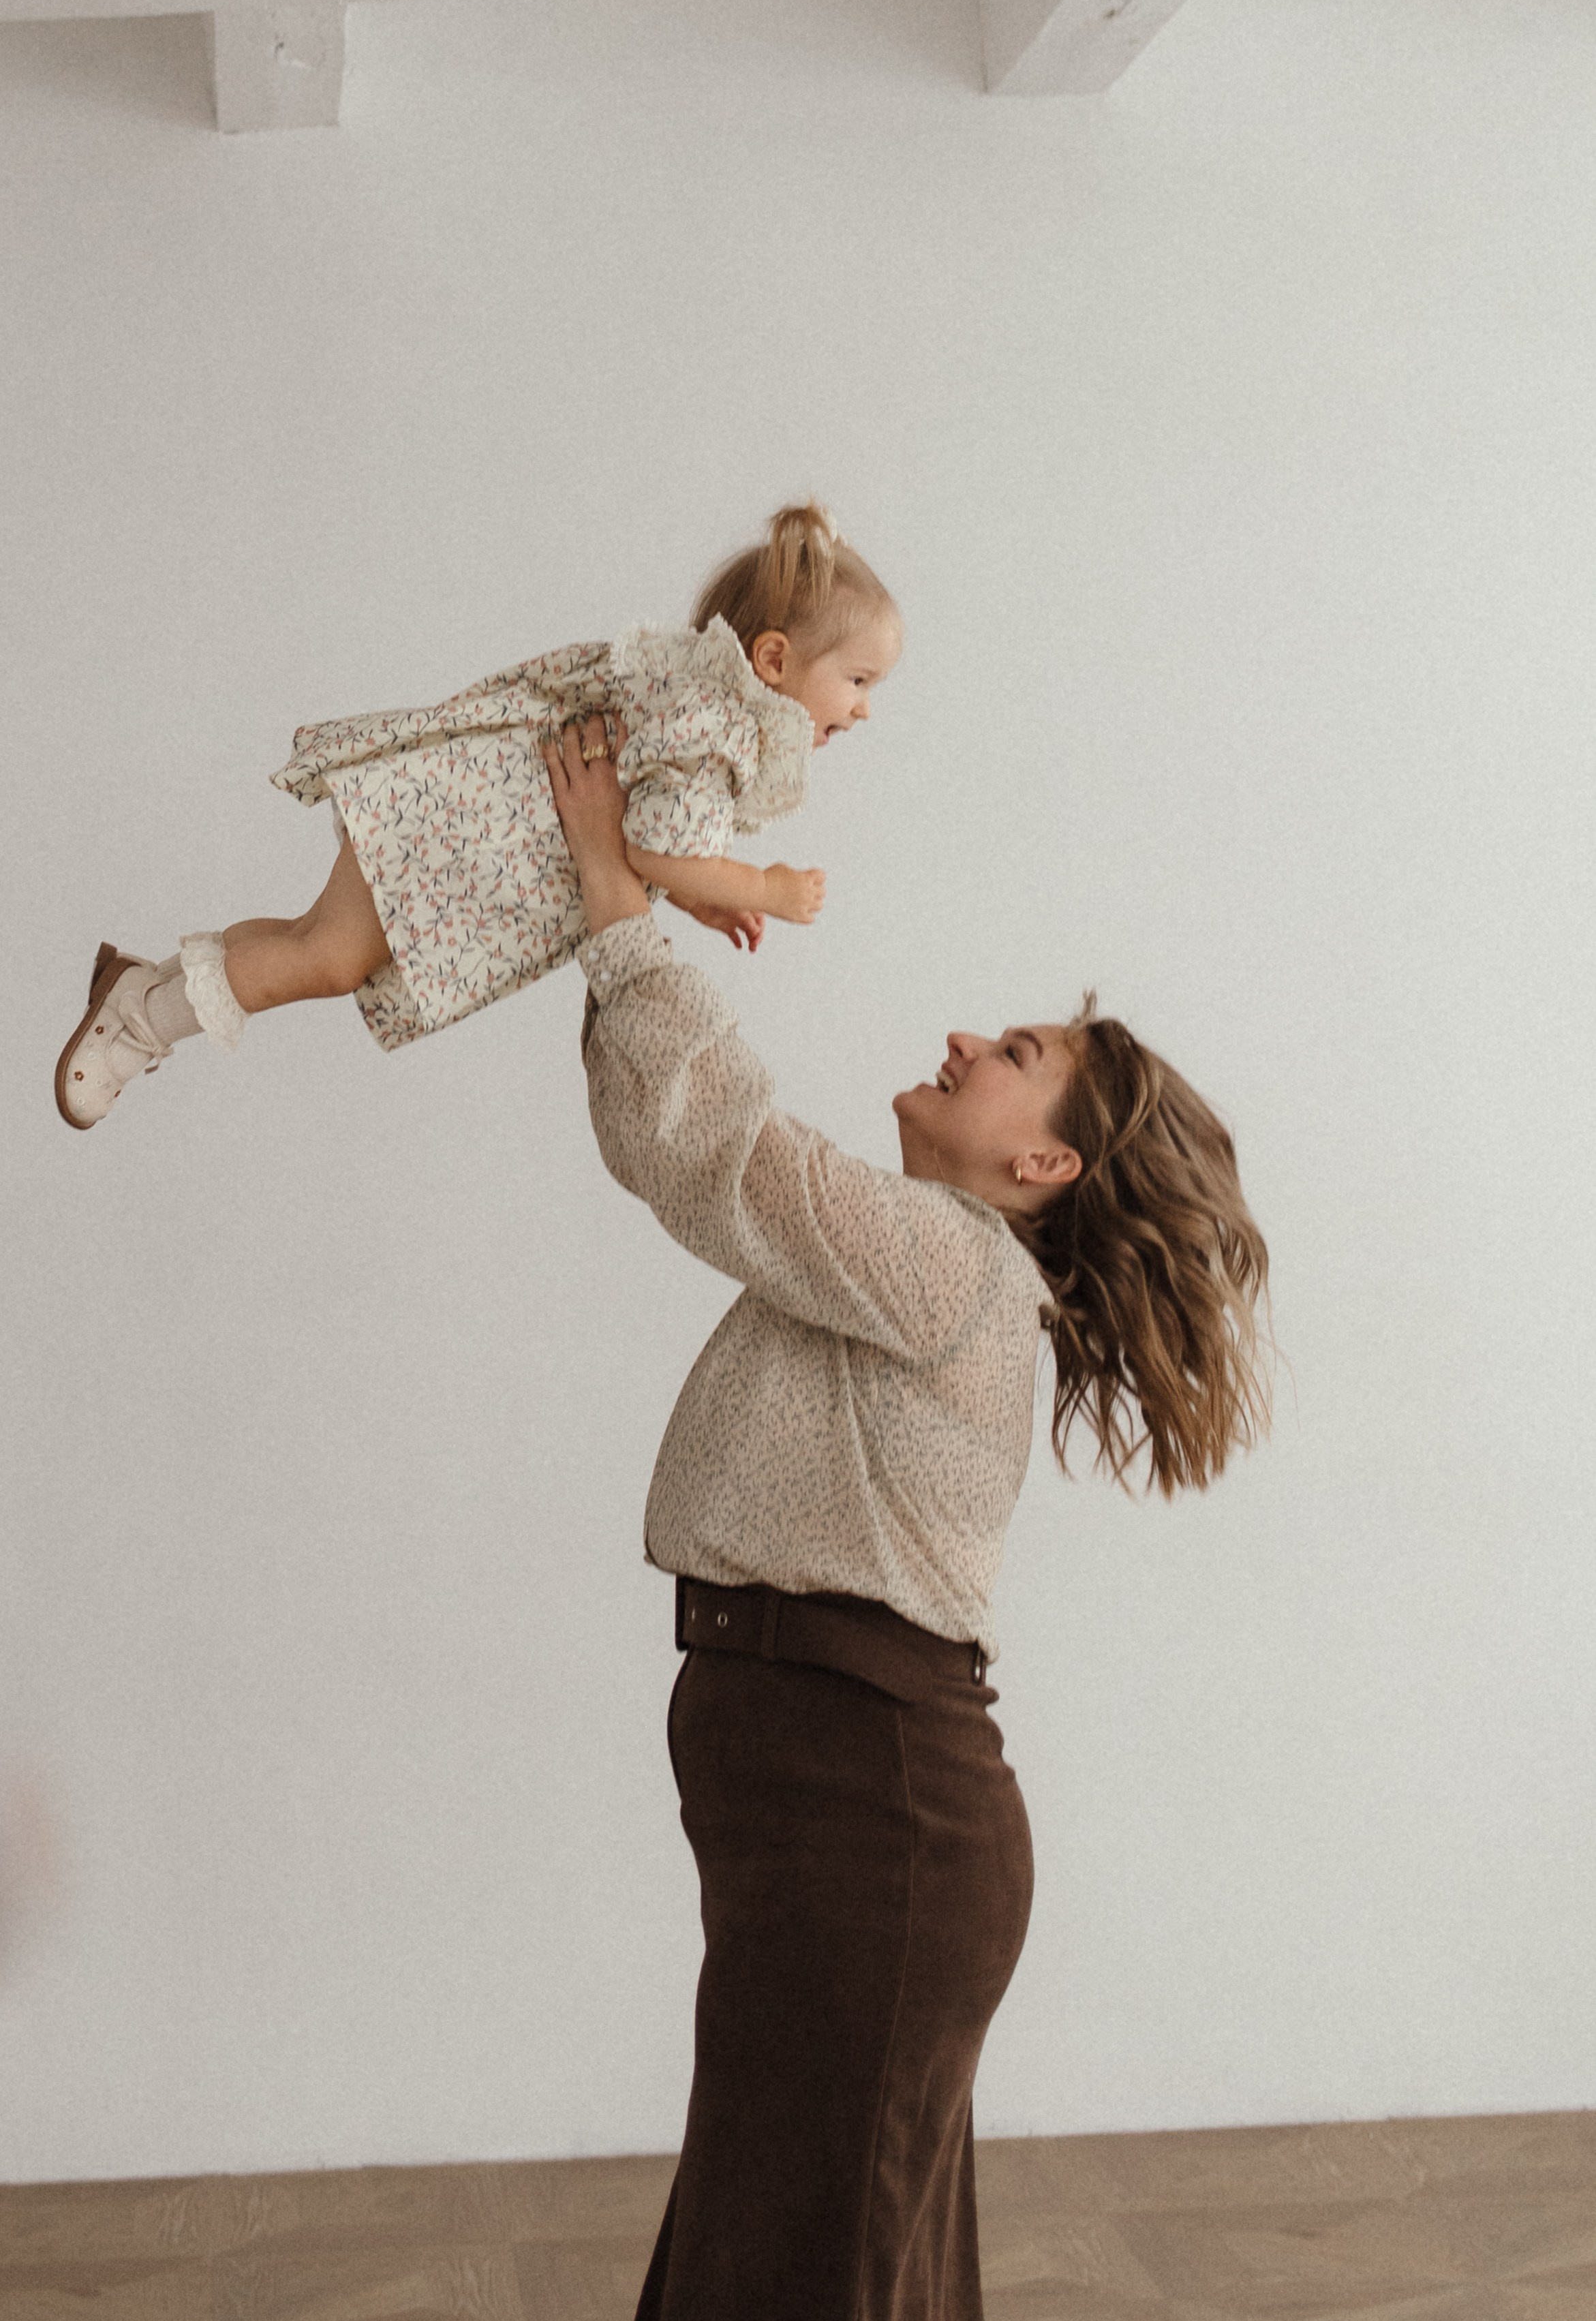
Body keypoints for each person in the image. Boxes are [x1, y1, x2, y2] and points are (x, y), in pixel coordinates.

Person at [544, 720, 1272, 2321]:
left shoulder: (947, 1262)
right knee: (814, 2243)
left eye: (1009, 1047)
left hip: (867, 1803)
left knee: (801, 2255)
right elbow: (676, 1153)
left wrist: (616, 902)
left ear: (1041, 1155)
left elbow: (715, 1148)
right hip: (846, 1795)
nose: (962, 1037)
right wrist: (613, 923)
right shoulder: (914, 1258)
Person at [55, 504, 899, 1128]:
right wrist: (763, 884)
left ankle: (146, 991)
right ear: (775, 658)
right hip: (453, 835)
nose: (863, 710)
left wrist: (695, 895)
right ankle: (137, 1019)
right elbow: (648, 840)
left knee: (310, 939)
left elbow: (639, 826)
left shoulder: (696, 695)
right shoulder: (720, 733)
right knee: (326, 956)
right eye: (857, 681)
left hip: (458, 818)